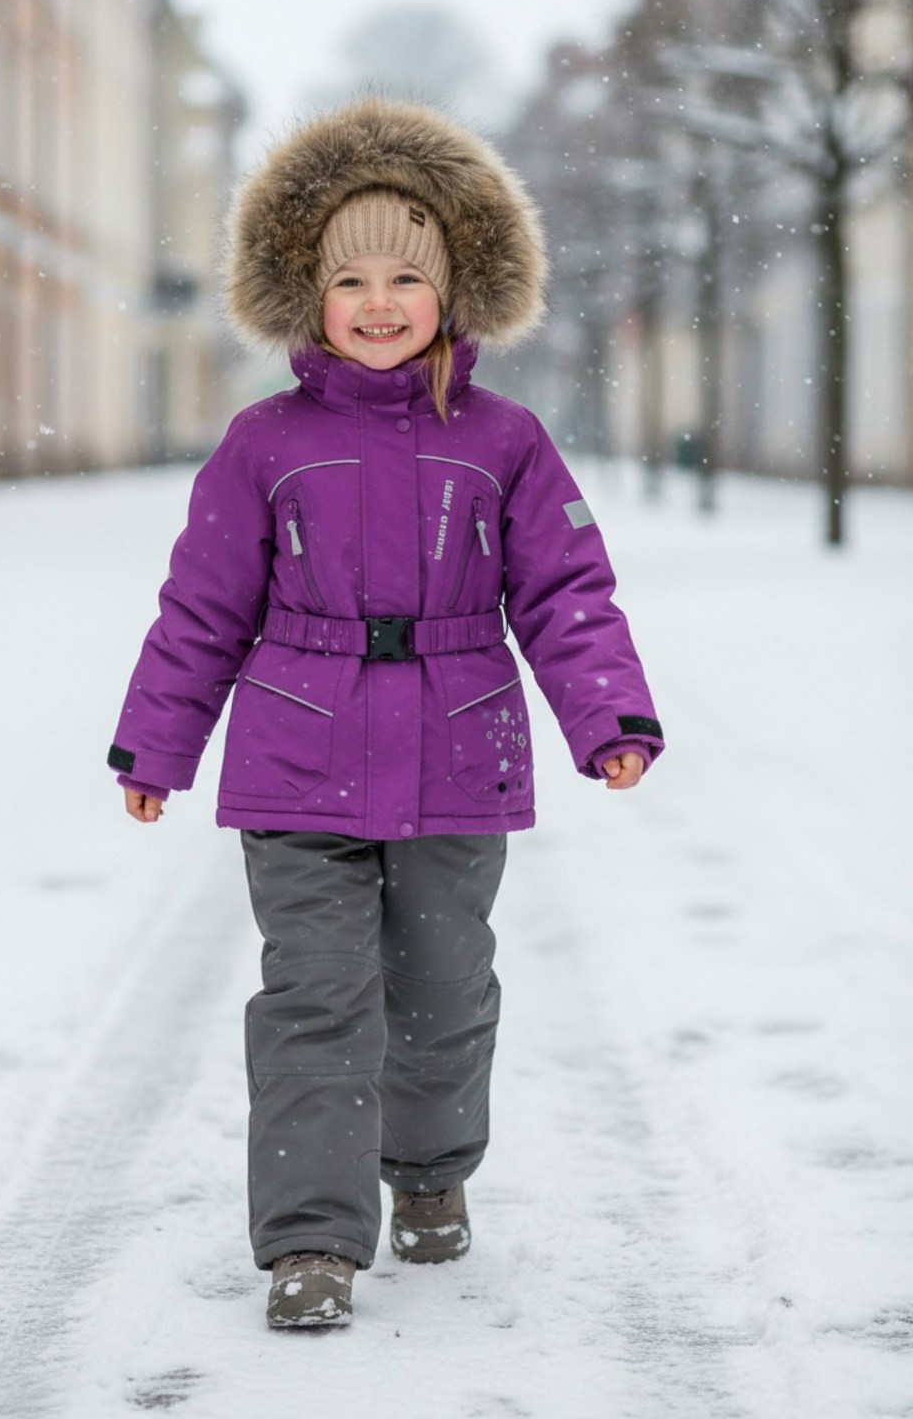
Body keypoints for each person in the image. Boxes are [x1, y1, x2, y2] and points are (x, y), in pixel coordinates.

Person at [107, 99, 663, 1330]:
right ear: (305, 295)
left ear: (453, 287)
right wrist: (159, 739)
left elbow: (566, 589)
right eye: (346, 276)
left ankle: (428, 1173)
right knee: (315, 997)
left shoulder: (506, 443)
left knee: (443, 988)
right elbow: (202, 605)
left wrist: (606, 714)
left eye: (404, 274)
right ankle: (311, 1240)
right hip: (297, 750)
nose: (375, 301)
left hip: (461, 748)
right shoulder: (265, 444)